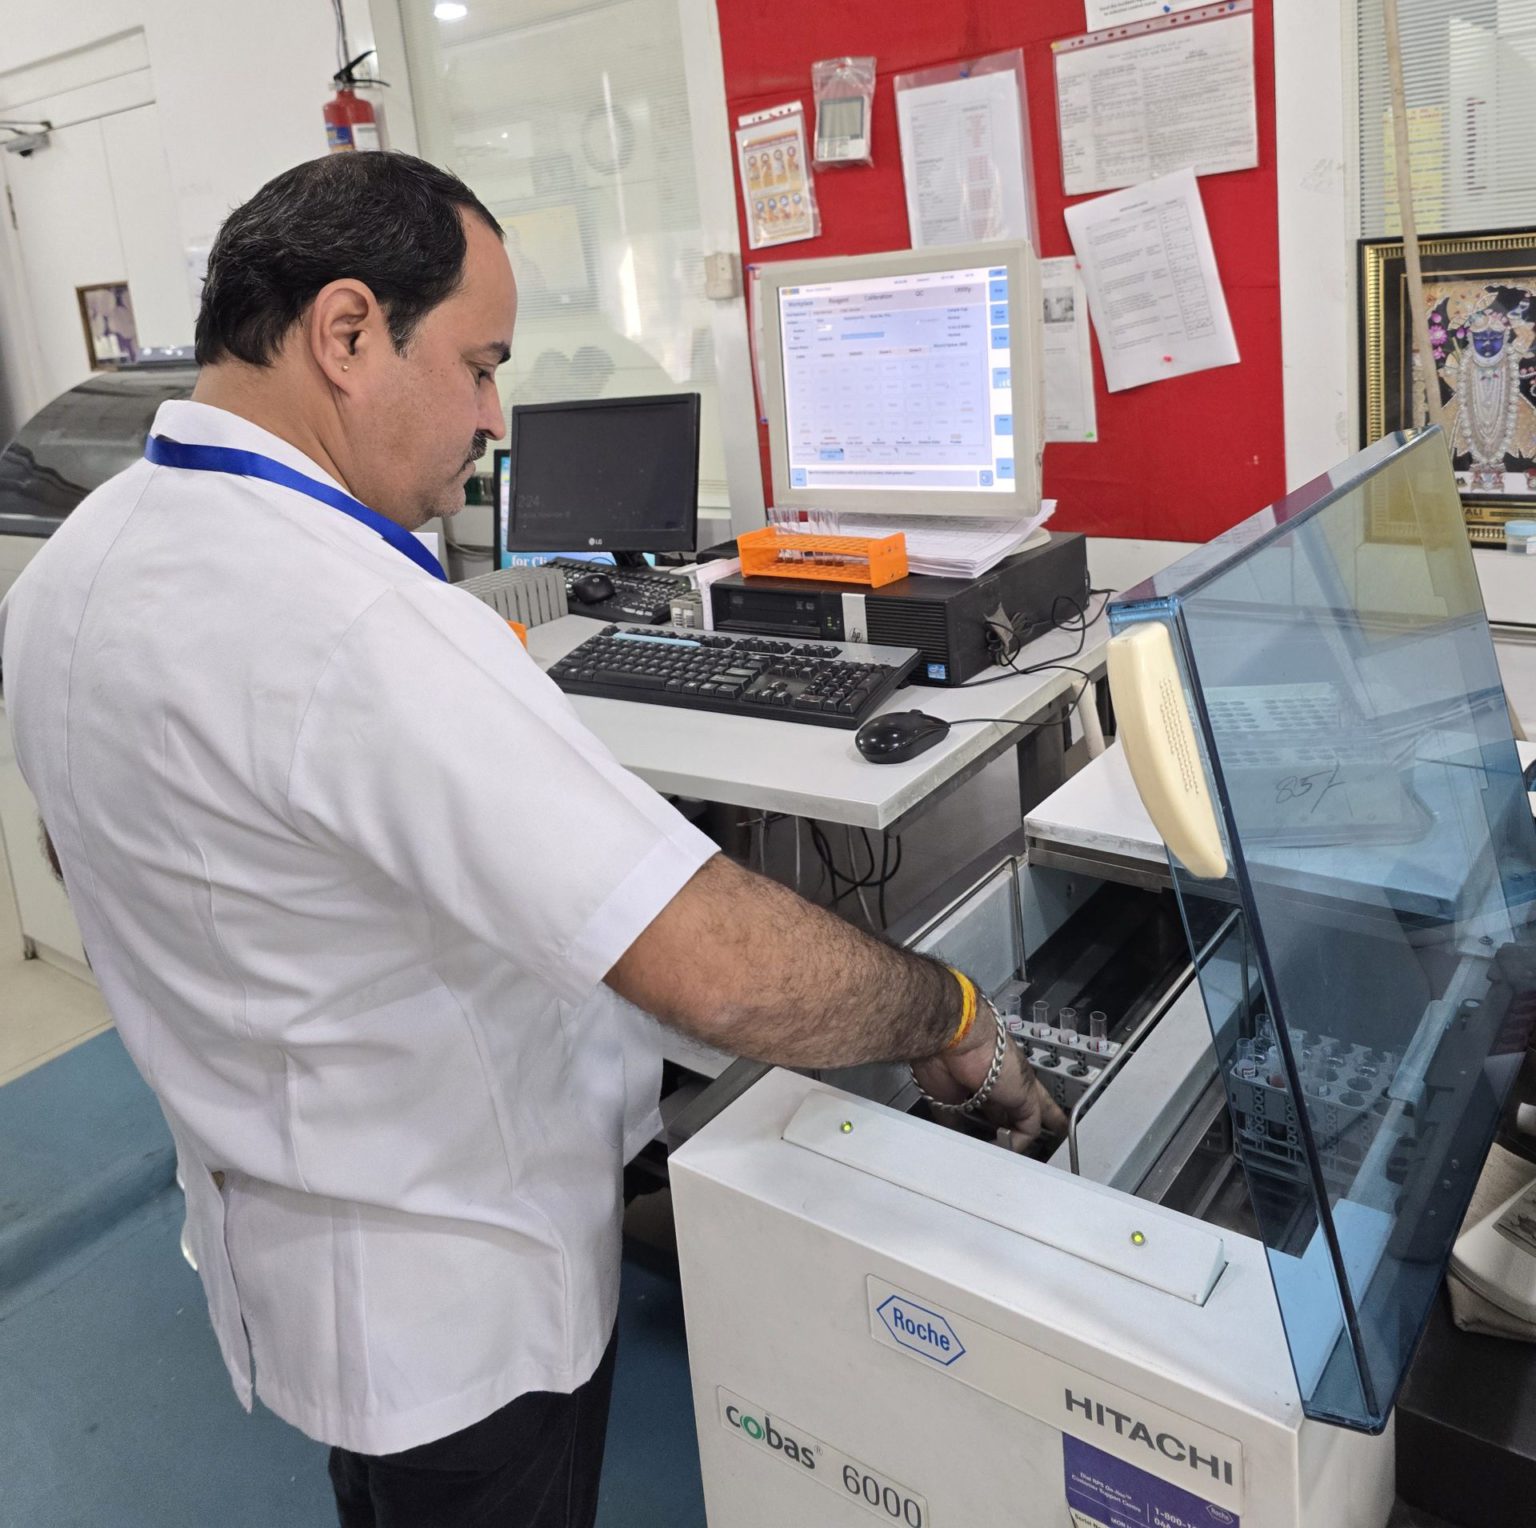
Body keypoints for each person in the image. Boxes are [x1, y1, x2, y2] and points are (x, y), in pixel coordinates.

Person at [0, 152, 1063, 1528]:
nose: (495, 418)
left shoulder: (82, 564)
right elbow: (718, 970)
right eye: (480, 364)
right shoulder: (356, 626)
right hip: (463, 1306)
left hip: (293, 1252)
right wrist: (948, 1010)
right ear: (345, 333)